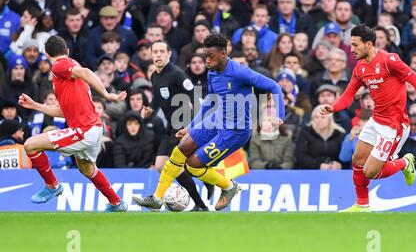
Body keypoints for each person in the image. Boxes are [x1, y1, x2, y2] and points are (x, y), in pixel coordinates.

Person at [133, 34, 285, 211]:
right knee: (180, 148)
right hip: (216, 119)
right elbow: (210, 102)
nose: (207, 60)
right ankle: (157, 199)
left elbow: (274, 86)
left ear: (223, 54)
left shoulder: (240, 72)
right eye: (206, 56)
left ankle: (228, 187)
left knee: (193, 165)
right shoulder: (212, 72)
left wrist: (279, 115)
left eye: (211, 56)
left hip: (235, 131)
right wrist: (190, 127)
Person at [320, 24, 416, 212]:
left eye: (355, 45)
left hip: (394, 126)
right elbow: (348, 94)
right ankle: (362, 205)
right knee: (357, 160)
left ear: (368, 44)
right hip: (376, 120)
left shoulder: (389, 60)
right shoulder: (360, 67)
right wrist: (333, 107)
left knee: (371, 172)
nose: (352, 49)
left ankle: (405, 162)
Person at [18, 35, 128, 212]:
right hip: (93, 128)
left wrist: (107, 95)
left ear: (47, 54)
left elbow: (86, 72)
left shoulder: (60, 65)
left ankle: (52, 185)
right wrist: (35, 105)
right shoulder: (68, 72)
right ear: (67, 50)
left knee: (30, 145)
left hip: (83, 130)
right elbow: (63, 111)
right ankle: (116, 203)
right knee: (86, 169)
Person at [133, 39, 212, 212]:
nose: (158, 55)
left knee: (168, 165)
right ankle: (205, 186)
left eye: (162, 51)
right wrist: (150, 108)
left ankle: (200, 203)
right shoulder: (155, 75)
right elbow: (157, 97)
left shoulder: (177, 74)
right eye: (155, 52)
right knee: (164, 165)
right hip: (171, 127)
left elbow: (193, 94)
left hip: (183, 126)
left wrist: (193, 115)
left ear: (169, 54)